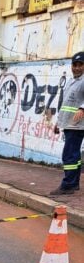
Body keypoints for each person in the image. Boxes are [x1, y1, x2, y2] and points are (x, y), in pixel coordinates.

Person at [50, 52, 84, 195]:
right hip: (68, 124)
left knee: (69, 155)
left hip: (77, 125)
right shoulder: (71, 81)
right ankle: (74, 183)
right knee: (74, 155)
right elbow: (65, 105)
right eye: (74, 65)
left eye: (80, 65)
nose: (76, 68)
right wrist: (58, 122)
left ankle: (68, 185)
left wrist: (83, 108)